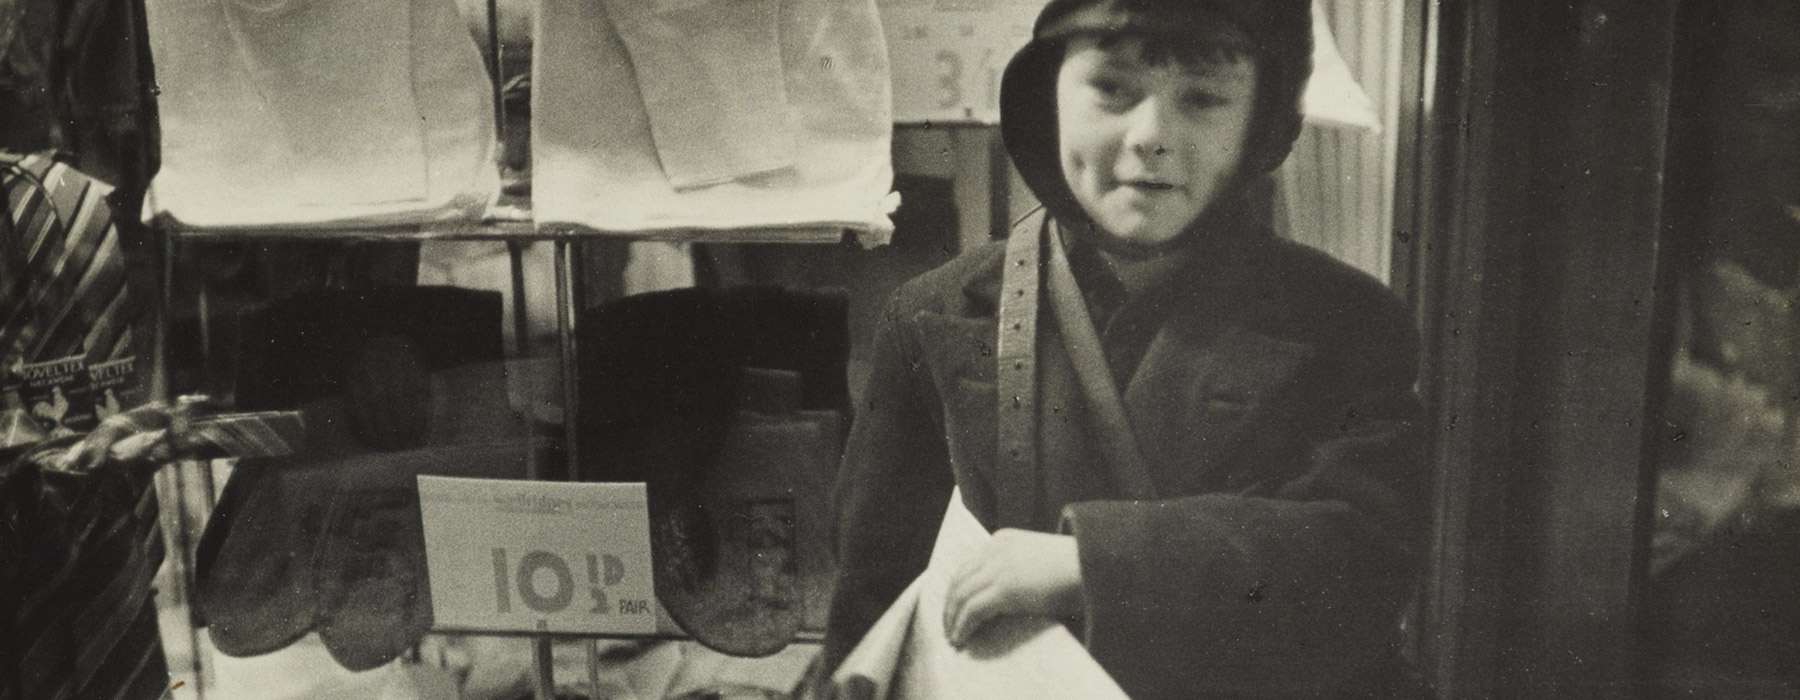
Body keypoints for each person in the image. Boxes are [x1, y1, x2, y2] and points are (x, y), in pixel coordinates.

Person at [822, 1, 1431, 698]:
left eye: (1203, 99)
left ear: (1260, 124)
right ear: (1047, 91)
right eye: (1112, 88)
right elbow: (874, 609)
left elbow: (1362, 561)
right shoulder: (931, 315)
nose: (1152, 136)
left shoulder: (1347, 324)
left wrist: (1091, 565)